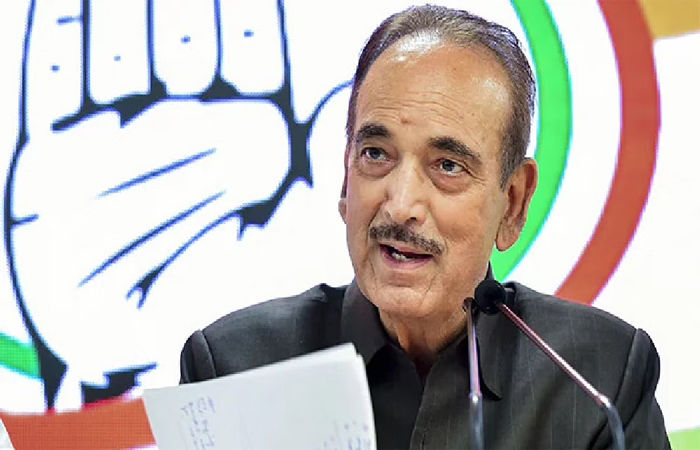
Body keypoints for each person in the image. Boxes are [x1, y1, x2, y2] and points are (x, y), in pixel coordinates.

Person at [180, 5, 670, 448]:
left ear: (513, 202)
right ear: (346, 176)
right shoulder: (234, 370)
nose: (400, 206)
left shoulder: (598, 377)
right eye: (376, 154)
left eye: (448, 166)